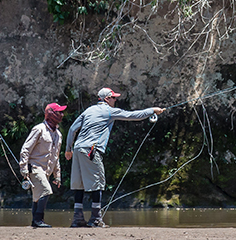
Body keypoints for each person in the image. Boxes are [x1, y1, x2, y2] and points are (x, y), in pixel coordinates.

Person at [65, 88, 164, 228]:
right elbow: (132, 116)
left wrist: (68, 150)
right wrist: (152, 110)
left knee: (79, 184)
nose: (115, 100)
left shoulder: (88, 110)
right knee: (98, 183)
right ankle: (95, 219)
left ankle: (77, 218)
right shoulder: (109, 111)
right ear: (106, 99)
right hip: (92, 150)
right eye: (113, 98)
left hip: (77, 148)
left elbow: (72, 129)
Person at [19, 102, 66, 228]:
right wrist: (23, 168)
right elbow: (25, 149)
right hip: (34, 167)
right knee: (46, 191)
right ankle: (39, 220)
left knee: (37, 197)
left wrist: (57, 176)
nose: (61, 114)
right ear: (51, 114)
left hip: (47, 171)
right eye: (58, 112)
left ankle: (35, 222)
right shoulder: (38, 129)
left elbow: (56, 157)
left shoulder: (59, 135)